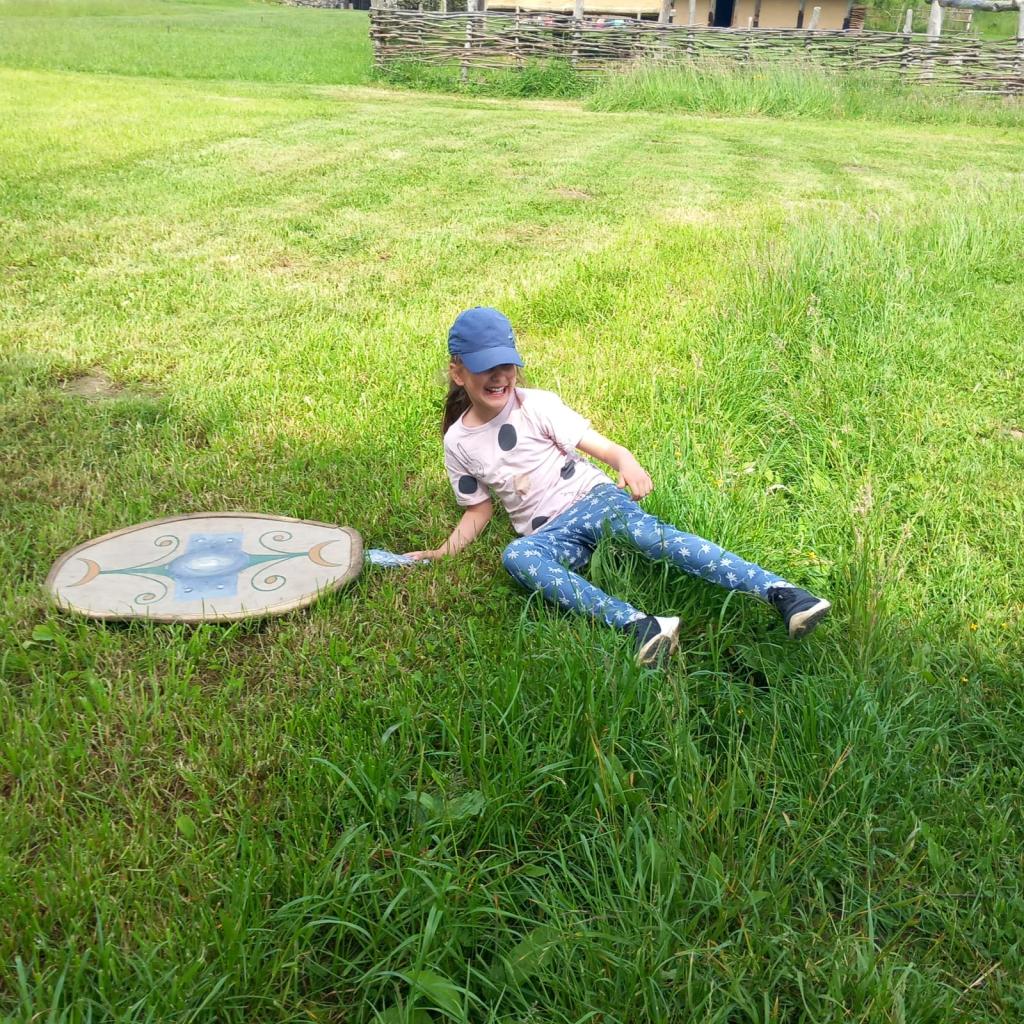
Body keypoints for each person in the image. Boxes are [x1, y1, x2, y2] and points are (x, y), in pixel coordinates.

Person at [405, 307, 831, 667]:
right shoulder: (458, 442)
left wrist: (626, 462)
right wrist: (443, 552)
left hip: (592, 500)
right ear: (458, 372)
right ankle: (641, 626)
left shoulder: (536, 405)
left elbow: (600, 446)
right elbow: (478, 509)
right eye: (485, 367)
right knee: (516, 556)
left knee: (654, 538)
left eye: (507, 364)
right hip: (549, 534)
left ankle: (781, 592)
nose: (500, 376)